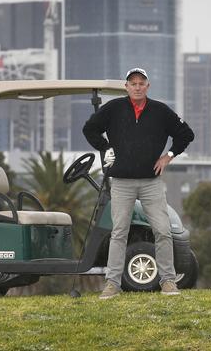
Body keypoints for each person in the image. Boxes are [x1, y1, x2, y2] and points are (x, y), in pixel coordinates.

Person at [83, 67, 194, 299]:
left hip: (151, 182)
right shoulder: (113, 109)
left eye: (141, 83)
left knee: (163, 231)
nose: (137, 86)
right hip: (122, 182)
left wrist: (169, 156)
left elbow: (185, 134)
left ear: (147, 86)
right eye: (132, 83)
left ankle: (168, 282)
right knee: (119, 232)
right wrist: (105, 148)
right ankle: (112, 284)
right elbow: (90, 129)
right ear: (126, 87)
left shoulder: (160, 111)